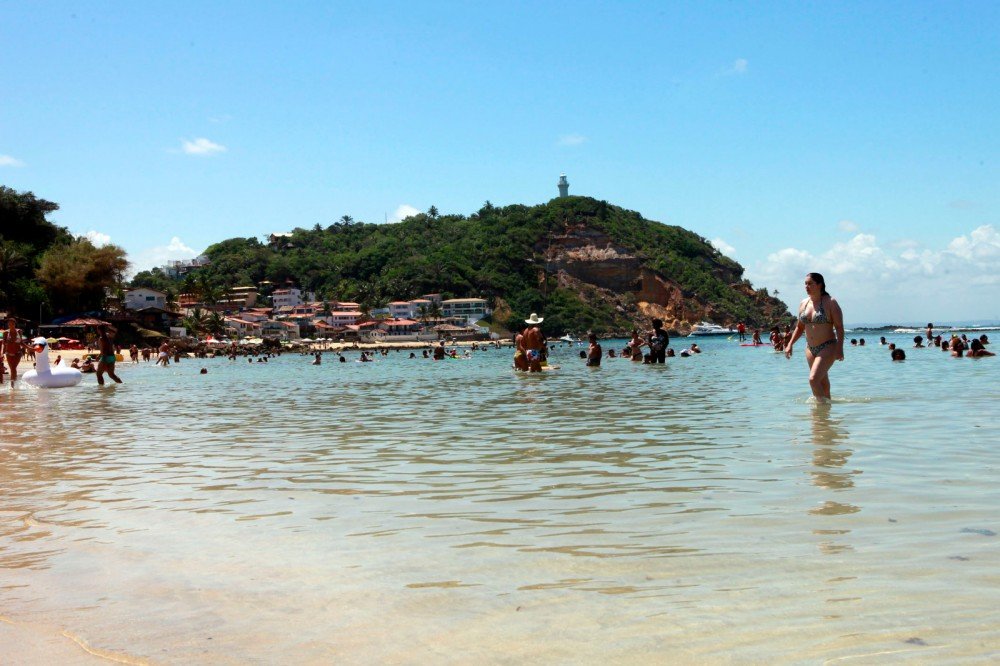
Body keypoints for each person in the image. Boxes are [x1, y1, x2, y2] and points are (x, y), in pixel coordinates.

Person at [784, 272, 845, 402]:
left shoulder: (830, 302)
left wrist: (840, 348)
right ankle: (825, 414)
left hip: (828, 346)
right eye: (805, 284)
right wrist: (790, 345)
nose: (807, 286)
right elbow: (800, 327)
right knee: (822, 381)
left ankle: (820, 408)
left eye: (810, 283)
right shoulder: (803, 303)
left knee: (813, 379)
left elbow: (839, 327)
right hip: (810, 349)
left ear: (820, 285)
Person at [2, 318, 23, 385]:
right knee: (13, 369)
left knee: (13, 368)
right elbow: (3, 343)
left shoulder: (19, 331)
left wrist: (30, 348)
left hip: (18, 353)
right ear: (8, 324)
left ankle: (12, 386)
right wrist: (2, 352)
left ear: (15, 324)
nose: (11, 325)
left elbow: (21, 342)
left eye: (12, 324)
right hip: (9, 353)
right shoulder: (5, 332)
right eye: (9, 324)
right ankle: (14, 384)